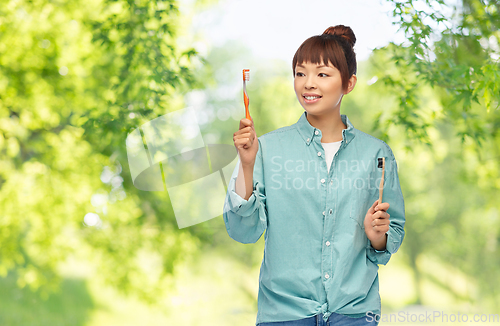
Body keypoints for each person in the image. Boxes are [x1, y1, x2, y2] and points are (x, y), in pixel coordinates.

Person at [223, 25, 405, 326]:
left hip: (355, 314)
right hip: (284, 315)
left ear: (349, 83)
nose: (308, 84)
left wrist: (378, 237)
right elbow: (244, 232)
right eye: (300, 73)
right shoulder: (266, 149)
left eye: (322, 74)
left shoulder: (377, 154)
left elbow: (391, 233)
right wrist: (246, 165)